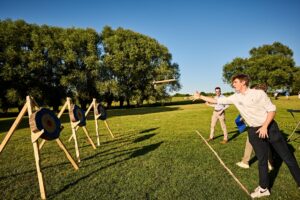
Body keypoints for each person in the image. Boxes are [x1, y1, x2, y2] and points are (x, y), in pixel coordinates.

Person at [193, 74, 300, 198]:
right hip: (253, 131)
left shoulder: (258, 93)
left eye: (236, 82)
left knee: (288, 158)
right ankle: (264, 188)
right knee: (262, 161)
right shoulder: (235, 97)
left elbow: (272, 110)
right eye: (233, 83)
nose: (233, 84)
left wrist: (265, 126)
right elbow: (216, 100)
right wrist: (200, 96)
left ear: (244, 82)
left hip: (269, 128)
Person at [236, 84, 273, 171]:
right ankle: (270, 163)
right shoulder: (266, 99)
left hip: (257, 126)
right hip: (265, 125)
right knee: (265, 143)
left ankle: (245, 162)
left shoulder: (259, 99)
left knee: (250, 142)